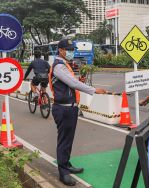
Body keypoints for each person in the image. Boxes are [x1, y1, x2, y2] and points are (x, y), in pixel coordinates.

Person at [49, 39, 107, 186]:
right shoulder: (58, 66)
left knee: (68, 140)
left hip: (70, 107)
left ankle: (66, 164)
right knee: (64, 141)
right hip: (63, 108)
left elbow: (71, 83)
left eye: (72, 49)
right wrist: (94, 90)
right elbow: (73, 83)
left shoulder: (64, 64)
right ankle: (63, 173)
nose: (71, 52)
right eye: (68, 49)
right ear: (61, 50)